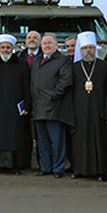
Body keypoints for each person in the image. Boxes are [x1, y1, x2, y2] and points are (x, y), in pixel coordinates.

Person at [0, 34, 31, 175]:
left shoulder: (22, 64)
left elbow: (27, 86)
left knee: (14, 136)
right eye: (3, 47)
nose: (5, 50)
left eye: (8, 48)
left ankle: (15, 166)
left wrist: (27, 106)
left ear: (12, 49)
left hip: (15, 106)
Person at [30, 33, 74, 177]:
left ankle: (58, 168)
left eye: (50, 43)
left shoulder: (63, 60)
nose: (47, 46)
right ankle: (45, 167)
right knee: (42, 142)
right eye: (44, 44)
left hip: (54, 108)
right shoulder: (37, 61)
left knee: (57, 141)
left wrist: (53, 94)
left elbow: (66, 80)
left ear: (56, 45)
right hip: (38, 108)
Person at [70, 31, 107, 181]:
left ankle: (100, 171)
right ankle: (79, 170)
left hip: (98, 109)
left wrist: (106, 109)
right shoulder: (74, 67)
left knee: (99, 141)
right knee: (80, 142)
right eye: (85, 48)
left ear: (96, 49)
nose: (88, 51)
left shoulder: (104, 66)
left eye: (91, 48)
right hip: (79, 110)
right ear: (80, 50)